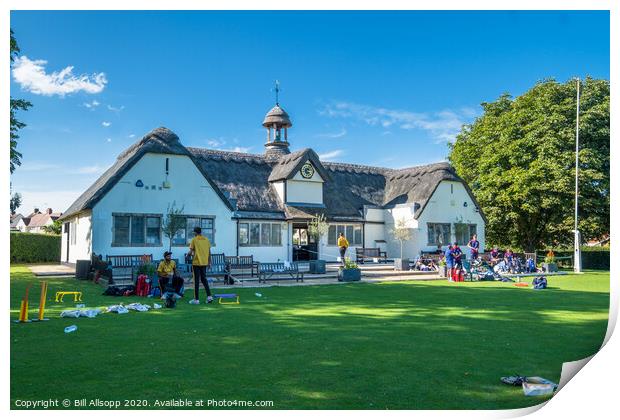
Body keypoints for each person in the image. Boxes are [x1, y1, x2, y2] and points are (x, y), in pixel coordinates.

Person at [188, 226, 213, 304]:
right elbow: (209, 252)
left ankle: (196, 299)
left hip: (196, 262)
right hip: (204, 262)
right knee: (204, 279)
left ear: (195, 232)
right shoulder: (206, 240)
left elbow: (190, 251)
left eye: (194, 232)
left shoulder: (194, 240)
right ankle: (209, 297)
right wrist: (209, 262)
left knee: (196, 281)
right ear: (200, 232)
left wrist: (187, 255)